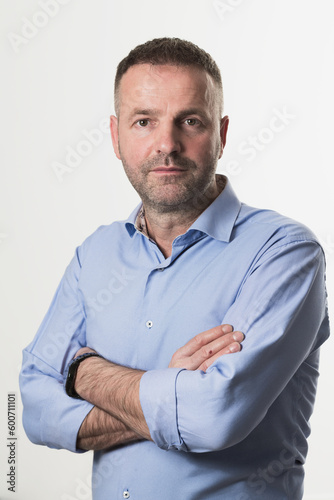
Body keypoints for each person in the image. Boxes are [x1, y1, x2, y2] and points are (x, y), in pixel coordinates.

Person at [20, 37, 330, 500]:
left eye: (190, 121)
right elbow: (34, 409)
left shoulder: (285, 253)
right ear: (115, 136)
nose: (167, 144)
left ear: (222, 134)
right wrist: (169, 394)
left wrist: (84, 372)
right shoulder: (95, 254)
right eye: (144, 121)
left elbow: (212, 417)